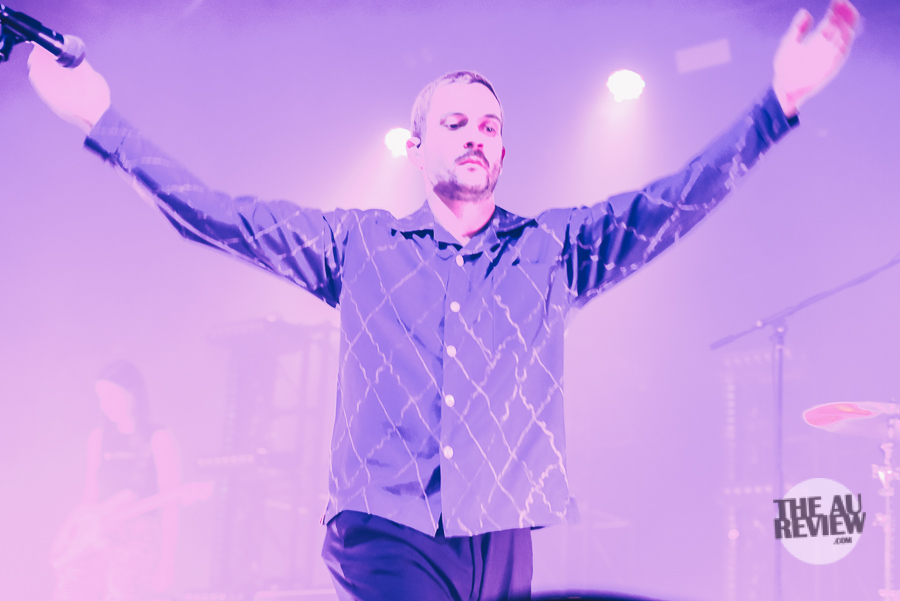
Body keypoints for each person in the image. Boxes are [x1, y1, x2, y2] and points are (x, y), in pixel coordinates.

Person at [27, 2, 859, 600]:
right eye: (456, 123)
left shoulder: (552, 250)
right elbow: (218, 216)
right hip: (384, 532)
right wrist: (102, 122)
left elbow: (672, 201)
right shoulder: (359, 245)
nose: (475, 135)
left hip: (502, 538)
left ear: (503, 154)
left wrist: (776, 106)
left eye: (489, 126)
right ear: (417, 148)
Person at [50, 361, 181, 601]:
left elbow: (171, 503)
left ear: (132, 393)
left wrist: (167, 562)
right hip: (97, 531)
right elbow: (90, 495)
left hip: (136, 536)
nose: (105, 405)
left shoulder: (159, 437)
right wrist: (68, 534)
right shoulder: (98, 437)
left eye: (112, 396)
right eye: (101, 398)